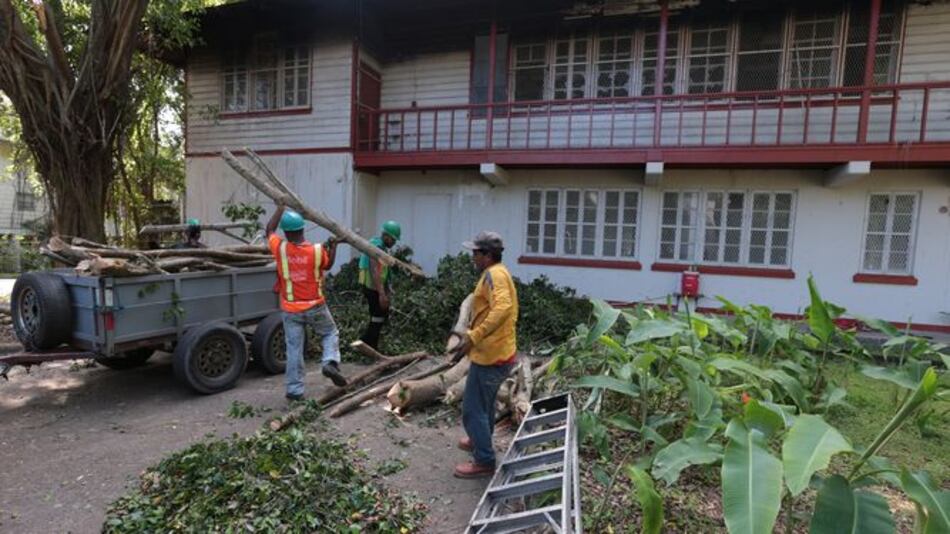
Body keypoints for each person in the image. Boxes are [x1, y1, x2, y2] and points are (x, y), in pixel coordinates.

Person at [450, 231, 518, 479]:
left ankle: (484, 461)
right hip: (496, 352)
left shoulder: (494, 275)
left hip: (491, 355)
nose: (472, 258)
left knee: (472, 408)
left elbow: (503, 307)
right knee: (485, 404)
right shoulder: (498, 272)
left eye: (476, 253)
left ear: (487, 255)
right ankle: (481, 440)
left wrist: (474, 335)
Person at [265, 205, 347, 401]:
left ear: (286, 232)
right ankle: (329, 362)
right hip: (315, 306)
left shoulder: (281, 248)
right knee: (329, 332)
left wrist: (279, 207)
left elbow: (268, 230)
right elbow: (328, 265)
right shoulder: (317, 251)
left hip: (290, 309)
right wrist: (334, 246)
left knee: (294, 348)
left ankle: (294, 390)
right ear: (303, 229)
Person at [358, 220, 401, 350]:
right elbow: (375, 271)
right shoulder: (375, 247)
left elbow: (384, 271)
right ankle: (367, 345)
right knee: (378, 316)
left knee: (380, 316)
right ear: (386, 236)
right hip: (372, 287)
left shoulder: (381, 248)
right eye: (393, 239)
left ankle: (367, 345)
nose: (394, 243)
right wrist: (382, 294)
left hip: (376, 287)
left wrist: (388, 289)